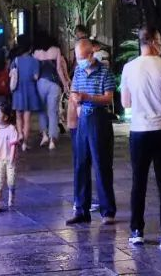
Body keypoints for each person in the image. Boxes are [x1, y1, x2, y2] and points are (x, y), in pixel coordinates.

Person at [121, 25, 161, 250]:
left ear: (140, 42)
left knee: (139, 182)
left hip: (139, 130)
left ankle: (137, 230)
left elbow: (125, 102)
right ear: (156, 41)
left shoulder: (129, 68)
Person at [66, 35, 117, 225]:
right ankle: (81, 208)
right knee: (80, 164)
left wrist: (87, 97)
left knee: (101, 164)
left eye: (82, 56)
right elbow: (73, 93)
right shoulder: (78, 72)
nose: (79, 61)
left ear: (91, 53)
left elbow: (108, 98)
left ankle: (107, 210)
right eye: (77, 57)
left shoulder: (104, 72)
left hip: (99, 117)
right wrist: (77, 103)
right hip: (83, 118)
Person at [33, 28, 70, 150]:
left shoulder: (36, 53)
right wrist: (65, 83)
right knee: (53, 112)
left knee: (42, 111)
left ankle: (44, 135)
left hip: (40, 83)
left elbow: (36, 73)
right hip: (54, 83)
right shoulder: (56, 50)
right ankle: (52, 140)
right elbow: (59, 69)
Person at [9, 36, 42, 148]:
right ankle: (25, 143)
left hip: (18, 91)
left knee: (18, 117)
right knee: (27, 119)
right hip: (29, 91)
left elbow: (11, 73)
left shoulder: (16, 60)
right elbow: (36, 77)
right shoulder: (34, 61)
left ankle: (19, 134)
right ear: (30, 48)